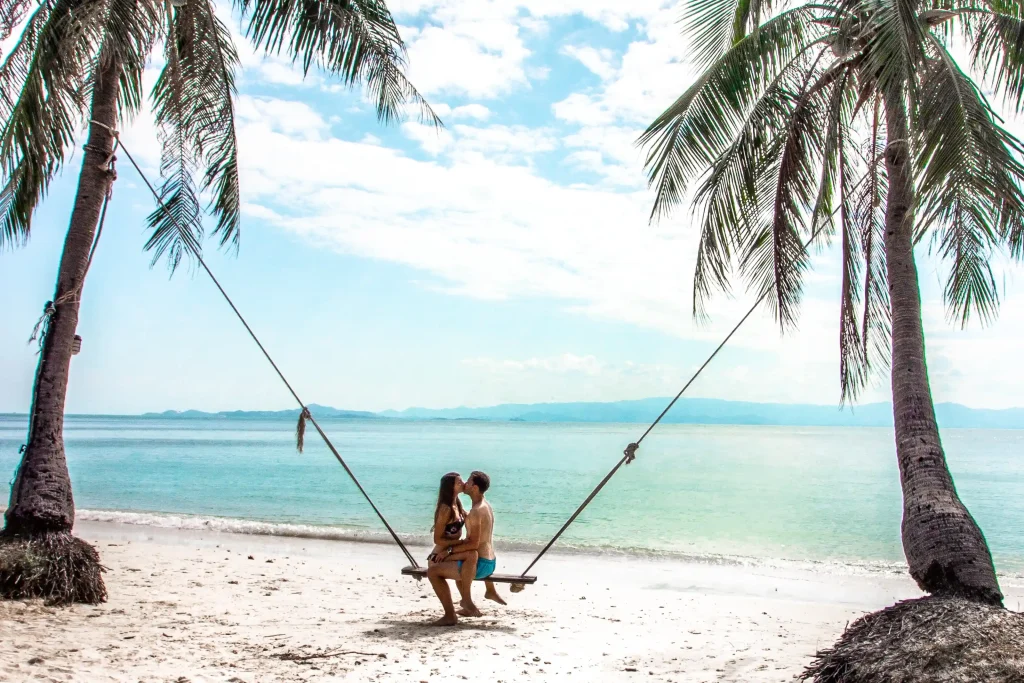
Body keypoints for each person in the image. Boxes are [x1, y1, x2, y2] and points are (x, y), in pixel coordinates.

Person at [426, 470, 505, 625]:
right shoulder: (483, 506)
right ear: (451, 487)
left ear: (475, 488)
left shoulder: (470, 509)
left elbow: (474, 543)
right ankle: (472, 602)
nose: (464, 484)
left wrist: (452, 548)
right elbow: (441, 537)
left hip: (481, 564)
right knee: (467, 558)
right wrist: (459, 544)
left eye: (467, 481)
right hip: (488, 562)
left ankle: (459, 609)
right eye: (460, 482)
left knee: (469, 557)